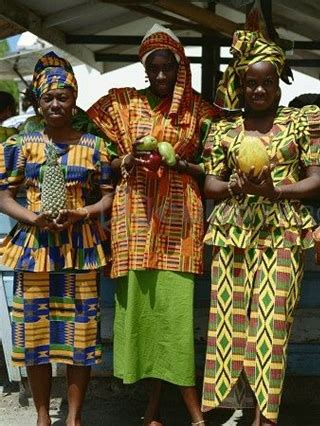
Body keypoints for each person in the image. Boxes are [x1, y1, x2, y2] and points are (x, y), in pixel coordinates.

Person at [87, 24, 219, 426]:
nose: (161, 76)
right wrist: (124, 161)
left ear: (181, 67)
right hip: (135, 220)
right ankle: (151, 409)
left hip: (180, 223)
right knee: (143, 315)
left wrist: (180, 163)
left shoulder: (200, 111)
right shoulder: (122, 105)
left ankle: (192, 413)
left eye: (168, 68)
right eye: (154, 68)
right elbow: (102, 157)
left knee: (174, 317)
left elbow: (214, 167)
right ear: (145, 68)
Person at [201, 30, 320, 425]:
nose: (258, 89)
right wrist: (232, 185)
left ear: (279, 82)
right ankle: (241, 406)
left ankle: (265, 418)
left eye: (266, 82)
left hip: (283, 233)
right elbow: (210, 184)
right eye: (250, 82)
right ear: (240, 85)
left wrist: (277, 191)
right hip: (232, 234)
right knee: (231, 323)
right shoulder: (223, 128)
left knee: (272, 328)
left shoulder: (303, 121)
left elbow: (318, 180)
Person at [0, 51, 114, 426]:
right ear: (36, 100)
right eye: (47, 97)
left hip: (79, 248)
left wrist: (81, 213)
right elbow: (3, 196)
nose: (54, 104)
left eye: (62, 97)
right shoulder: (19, 145)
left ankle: (74, 417)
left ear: (73, 100)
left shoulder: (94, 147)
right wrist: (35, 218)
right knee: (34, 336)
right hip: (33, 251)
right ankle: (41, 416)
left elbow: (108, 195)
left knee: (80, 336)